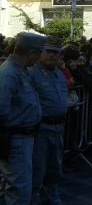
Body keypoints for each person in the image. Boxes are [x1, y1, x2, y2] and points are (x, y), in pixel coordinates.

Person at [0, 32, 46, 205]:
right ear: (32, 53)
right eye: (39, 53)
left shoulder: (20, 71)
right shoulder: (10, 73)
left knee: (19, 185)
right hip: (15, 139)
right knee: (19, 188)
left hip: (23, 137)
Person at [28, 36, 68, 205]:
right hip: (41, 129)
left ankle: (51, 194)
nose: (52, 55)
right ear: (40, 52)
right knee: (38, 167)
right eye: (48, 51)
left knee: (55, 167)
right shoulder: (30, 73)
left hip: (58, 127)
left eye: (55, 52)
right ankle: (33, 198)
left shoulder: (59, 74)